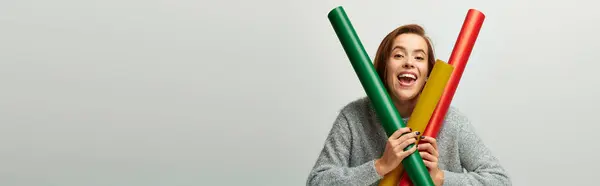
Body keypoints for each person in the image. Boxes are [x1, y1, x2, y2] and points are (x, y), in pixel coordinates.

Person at [306, 24, 511, 186]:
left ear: (428, 74)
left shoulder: (451, 120)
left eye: (419, 57)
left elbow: (500, 181)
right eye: (398, 55)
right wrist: (380, 166)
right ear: (384, 67)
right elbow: (316, 182)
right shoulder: (353, 117)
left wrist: (441, 178)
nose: (409, 62)